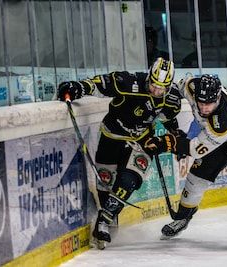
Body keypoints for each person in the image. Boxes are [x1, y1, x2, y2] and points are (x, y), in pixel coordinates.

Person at [57, 57, 182, 249]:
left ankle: (104, 220)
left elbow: (168, 119)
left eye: (162, 88)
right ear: (148, 76)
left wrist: (175, 137)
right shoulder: (129, 82)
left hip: (141, 141)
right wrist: (77, 87)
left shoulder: (172, 98)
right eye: (154, 85)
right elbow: (100, 84)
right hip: (112, 136)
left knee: (129, 180)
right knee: (105, 183)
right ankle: (109, 218)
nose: (157, 91)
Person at [144, 74, 227, 249]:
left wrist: (166, 143)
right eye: (200, 102)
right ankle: (182, 218)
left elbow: (194, 149)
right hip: (217, 137)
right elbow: (174, 88)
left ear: (217, 97)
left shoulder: (223, 120)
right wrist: (163, 108)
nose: (203, 108)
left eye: (208, 103)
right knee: (196, 177)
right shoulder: (192, 86)